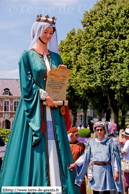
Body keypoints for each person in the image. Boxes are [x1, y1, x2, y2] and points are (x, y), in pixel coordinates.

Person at [0, 15, 81, 194]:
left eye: (51, 32)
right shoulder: (26, 56)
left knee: (56, 143)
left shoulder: (56, 57)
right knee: (37, 145)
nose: (49, 36)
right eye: (45, 32)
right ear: (37, 31)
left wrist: (61, 85)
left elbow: (59, 84)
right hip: (35, 109)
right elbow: (26, 85)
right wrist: (44, 97)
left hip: (54, 110)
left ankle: (59, 186)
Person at [69, 121, 124, 194]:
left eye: (101, 129)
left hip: (106, 171)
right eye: (97, 130)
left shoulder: (110, 142)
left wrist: (116, 172)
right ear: (95, 131)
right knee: (96, 191)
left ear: (104, 130)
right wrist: (74, 164)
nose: (99, 131)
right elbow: (85, 156)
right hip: (95, 171)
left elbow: (114, 160)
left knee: (106, 192)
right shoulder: (91, 142)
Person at [68, 127, 86, 194]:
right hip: (68, 169)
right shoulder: (65, 145)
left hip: (78, 169)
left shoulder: (81, 145)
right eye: (76, 135)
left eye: (78, 134)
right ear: (71, 135)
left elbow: (85, 157)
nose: (78, 136)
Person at [121, 127, 129, 194]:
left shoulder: (128, 142)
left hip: (127, 163)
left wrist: (120, 149)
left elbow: (124, 151)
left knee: (126, 184)